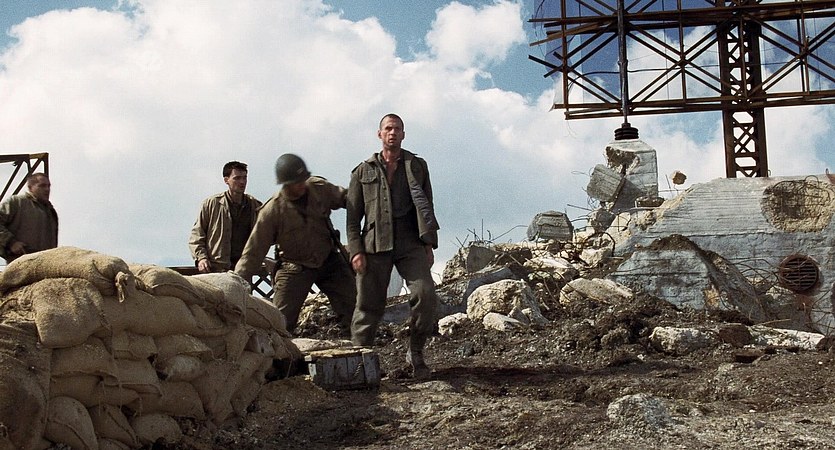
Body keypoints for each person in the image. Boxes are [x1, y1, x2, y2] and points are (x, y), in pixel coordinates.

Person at [346, 113, 440, 378]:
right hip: (375, 244)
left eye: (397, 129)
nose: (393, 133)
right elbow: (352, 218)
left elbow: (427, 205)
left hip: (410, 241)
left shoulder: (417, 166)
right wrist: (356, 251)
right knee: (367, 305)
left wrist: (428, 244)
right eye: (388, 128)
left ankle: (416, 352)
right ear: (380, 134)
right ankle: (360, 362)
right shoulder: (362, 171)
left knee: (426, 294)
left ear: (403, 134)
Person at [235, 153, 356, 335]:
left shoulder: (319, 188)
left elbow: (349, 199)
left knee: (355, 309)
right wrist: (237, 283)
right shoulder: (273, 211)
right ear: (285, 183)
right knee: (279, 323)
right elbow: (253, 252)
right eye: (296, 182)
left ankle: (359, 346)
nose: (301, 185)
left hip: (329, 260)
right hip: (295, 268)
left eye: (303, 179)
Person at [189, 161, 261, 273]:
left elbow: (266, 234)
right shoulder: (212, 204)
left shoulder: (254, 206)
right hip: (216, 268)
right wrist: (201, 258)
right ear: (226, 180)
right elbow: (197, 234)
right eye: (237, 178)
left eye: (244, 178)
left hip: (243, 268)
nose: (242, 182)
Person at [0, 172, 59, 264]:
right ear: (30, 187)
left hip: (44, 264)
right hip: (20, 262)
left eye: (48, 186)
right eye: (42, 186)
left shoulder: (50, 211)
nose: (47, 189)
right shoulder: (17, 202)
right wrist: (11, 243)